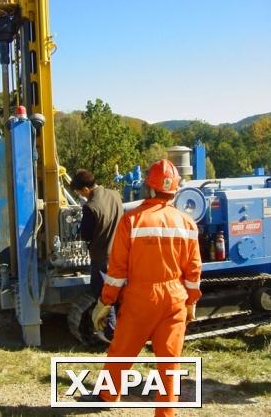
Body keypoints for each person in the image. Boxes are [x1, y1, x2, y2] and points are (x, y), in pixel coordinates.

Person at [90, 159, 202, 416]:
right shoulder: (188, 224)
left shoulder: (132, 221)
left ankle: (107, 396)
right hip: (175, 298)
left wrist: (105, 302)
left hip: (141, 298)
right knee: (170, 363)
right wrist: (191, 301)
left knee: (121, 350)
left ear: (148, 189)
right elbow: (193, 272)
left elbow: (117, 271)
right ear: (174, 190)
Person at [70, 169, 124, 342]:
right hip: (120, 254)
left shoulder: (91, 207)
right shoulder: (115, 195)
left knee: (105, 296)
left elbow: (85, 235)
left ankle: (112, 334)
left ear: (85, 189)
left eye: (79, 192)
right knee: (120, 294)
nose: (80, 195)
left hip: (102, 258)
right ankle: (124, 330)